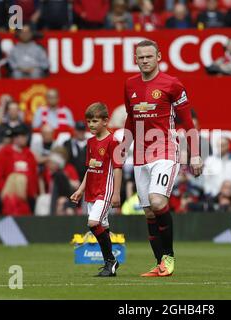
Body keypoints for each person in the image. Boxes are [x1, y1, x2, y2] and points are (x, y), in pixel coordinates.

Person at [123, 39, 203, 277]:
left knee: (158, 201)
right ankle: (160, 264)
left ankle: (168, 257)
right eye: (141, 57)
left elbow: (187, 121)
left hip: (165, 149)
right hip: (139, 154)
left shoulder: (172, 84)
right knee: (148, 211)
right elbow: (130, 118)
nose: (145, 61)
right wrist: (123, 148)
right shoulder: (129, 84)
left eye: (149, 56)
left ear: (159, 56)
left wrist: (196, 154)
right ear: (135, 59)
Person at [70, 102, 123, 277]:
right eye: (89, 122)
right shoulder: (91, 142)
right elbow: (90, 169)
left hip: (105, 190)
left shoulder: (113, 141)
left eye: (94, 121)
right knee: (103, 227)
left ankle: (111, 260)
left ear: (105, 121)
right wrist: (80, 189)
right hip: (92, 191)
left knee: (93, 223)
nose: (91, 125)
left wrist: (115, 193)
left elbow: (117, 168)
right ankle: (110, 264)